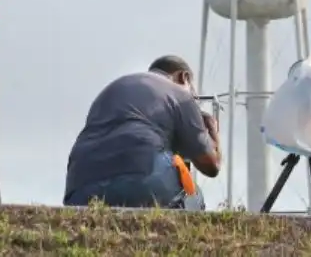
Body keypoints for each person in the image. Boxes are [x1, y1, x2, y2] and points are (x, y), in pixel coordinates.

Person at [62, 55, 222, 209]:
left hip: (79, 189)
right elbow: (211, 166)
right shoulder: (181, 95)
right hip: (142, 180)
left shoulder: (112, 89)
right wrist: (212, 129)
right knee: (194, 195)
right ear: (183, 77)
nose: (194, 99)